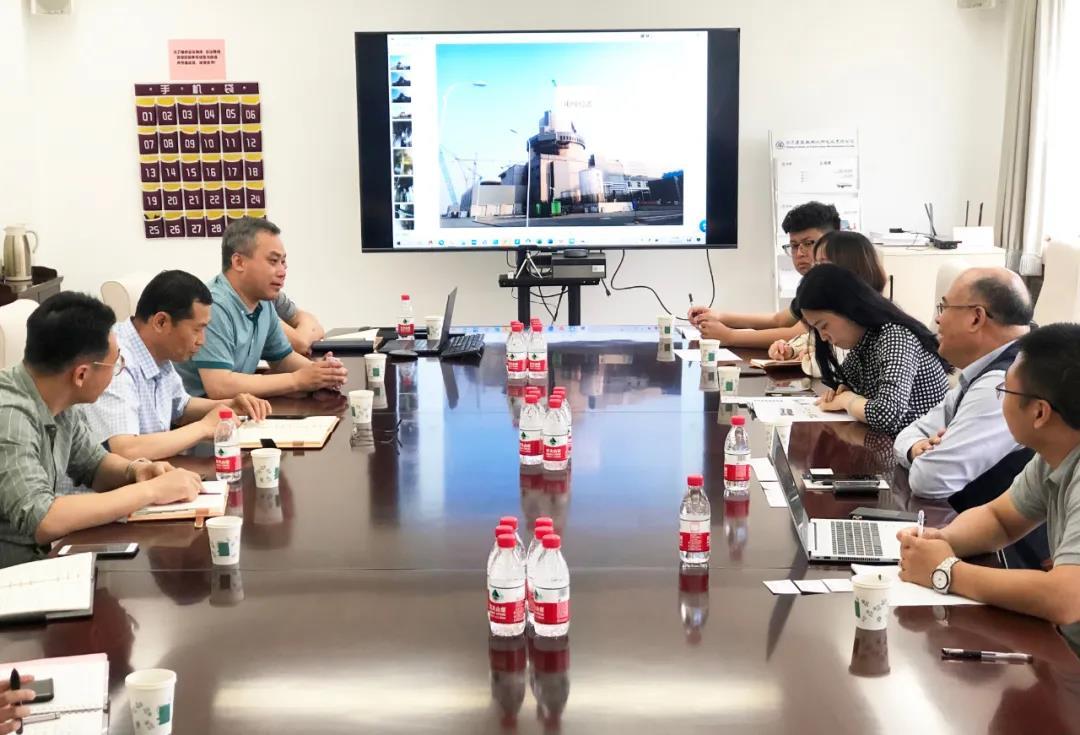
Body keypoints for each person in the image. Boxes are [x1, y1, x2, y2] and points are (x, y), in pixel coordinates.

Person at [898, 324, 1080, 656]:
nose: (1001, 399)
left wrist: (946, 571)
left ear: (1040, 412)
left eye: (1004, 391)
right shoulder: (1053, 454)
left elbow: (1065, 598)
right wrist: (941, 540)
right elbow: (1000, 519)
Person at [0, 293, 202, 568]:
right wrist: (151, 491)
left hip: (49, 558)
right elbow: (43, 519)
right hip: (16, 574)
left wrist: (137, 471)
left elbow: (94, 465)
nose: (119, 370)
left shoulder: (57, 396)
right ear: (81, 374)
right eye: (115, 363)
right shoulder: (10, 417)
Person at [82, 270, 272, 461]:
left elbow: (180, 407)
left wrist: (229, 405)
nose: (202, 341)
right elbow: (126, 450)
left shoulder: (158, 351)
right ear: (161, 322)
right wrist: (203, 428)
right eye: (197, 330)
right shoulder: (115, 360)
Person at [894, 268, 1034, 502]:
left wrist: (929, 456)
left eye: (944, 307)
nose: (938, 319)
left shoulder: (1004, 383)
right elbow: (912, 431)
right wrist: (916, 448)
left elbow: (931, 479)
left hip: (990, 524)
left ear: (976, 318)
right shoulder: (984, 370)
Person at [176, 217, 348, 398]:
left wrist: (323, 372)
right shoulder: (213, 306)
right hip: (198, 410)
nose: (282, 272)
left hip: (237, 407)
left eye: (283, 262)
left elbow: (282, 359)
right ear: (239, 262)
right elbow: (219, 386)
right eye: (273, 261)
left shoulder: (264, 302)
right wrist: (297, 379)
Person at [793, 263, 950, 437]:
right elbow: (843, 385)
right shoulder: (865, 340)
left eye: (824, 326)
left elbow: (887, 414)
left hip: (923, 444)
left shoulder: (895, 336)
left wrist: (847, 400)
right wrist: (842, 393)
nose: (823, 337)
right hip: (895, 442)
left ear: (847, 308)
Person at [688, 201, 841, 347]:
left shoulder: (836, 282)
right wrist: (719, 317)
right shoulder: (813, 284)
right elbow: (779, 320)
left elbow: (798, 334)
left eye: (808, 243)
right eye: (794, 245)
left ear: (833, 241)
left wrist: (730, 336)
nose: (800, 253)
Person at [767, 230, 888, 362]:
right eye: (816, 264)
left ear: (850, 267)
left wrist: (816, 360)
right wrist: (791, 349)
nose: (816, 271)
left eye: (823, 264)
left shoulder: (879, 328)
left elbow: (841, 360)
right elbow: (812, 337)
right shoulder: (829, 305)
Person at [274, 290, 326, 356]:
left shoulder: (273, 295)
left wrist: (303, 340)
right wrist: (304, 341)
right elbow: (301, 344)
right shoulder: (263, 306)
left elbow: (316, 326)